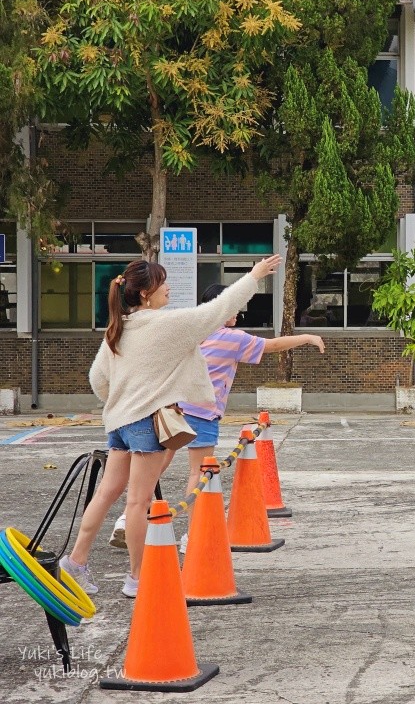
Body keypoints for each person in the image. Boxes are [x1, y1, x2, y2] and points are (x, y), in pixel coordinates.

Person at [58, 255, 282, 597]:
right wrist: (253, 276)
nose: (169, 288)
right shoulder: (168, 325)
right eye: (163, 283)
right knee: (138, 502)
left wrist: (122, 401)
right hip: (146, 423)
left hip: (118, 422)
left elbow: (97, 380)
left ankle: (75, 562)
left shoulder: (118, 327)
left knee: (107, 494)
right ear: (146, 293)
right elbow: (219, 310)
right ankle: (136, 578)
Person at [108, 283, 325, 551]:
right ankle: (192, 535)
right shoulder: (231, 338)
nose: (237, 313)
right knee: (198, 475)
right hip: (203, 413)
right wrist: (306, 338)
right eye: (234, 307)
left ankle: (126, 518)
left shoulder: (191, 332)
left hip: (171, 409)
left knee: (154, 469)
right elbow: (272, 345)